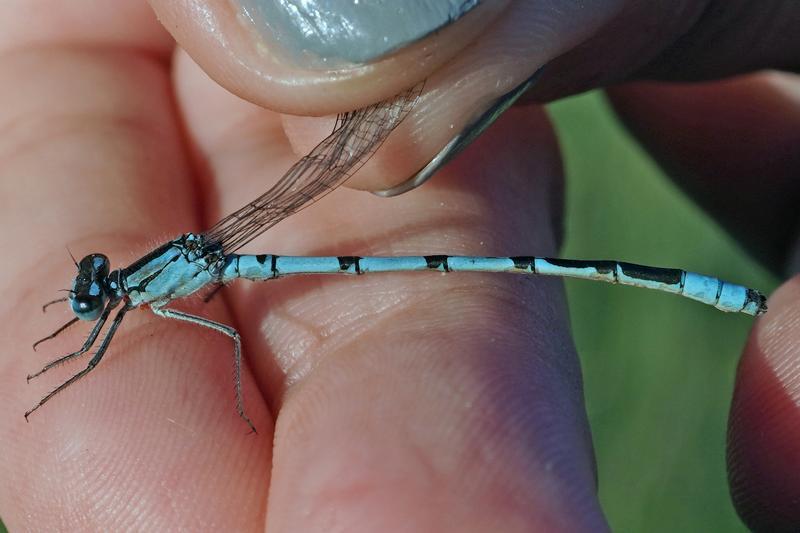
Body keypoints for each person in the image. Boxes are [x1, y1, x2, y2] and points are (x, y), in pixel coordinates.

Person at [0, 1, 797, 531]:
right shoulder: (144, 289)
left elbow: (227, 342)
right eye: (94, 294)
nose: (93, 304)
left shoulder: (142, 294)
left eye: (94, 296)